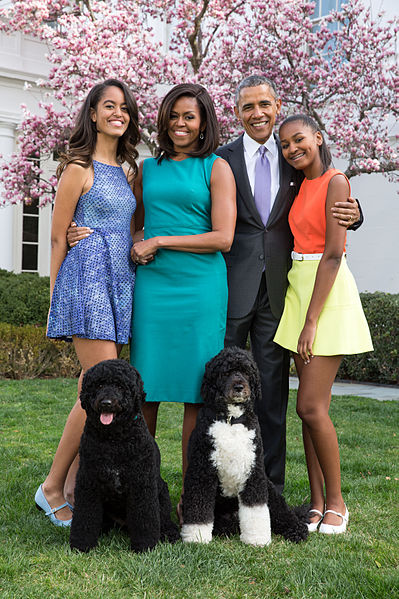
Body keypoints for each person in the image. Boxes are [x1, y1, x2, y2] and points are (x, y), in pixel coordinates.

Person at [216, 75, 362, 494]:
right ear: (238, 113)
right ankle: (221, 485)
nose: (257, 113)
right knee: (219, 388)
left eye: (264, 104)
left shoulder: (293, 155)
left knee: (272, 395)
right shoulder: (221, 159)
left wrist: (355, 212)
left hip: (283, 293)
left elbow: (327, 195)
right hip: (231, 287)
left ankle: (269, 489)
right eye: (247, 107)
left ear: (277, 106)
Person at [35, 79, 140, 526]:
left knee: (92, 385)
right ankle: (53, 487)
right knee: (96, 385)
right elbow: (58, 235)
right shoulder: (77, 167)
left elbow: (128, 226)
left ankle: (75, 485)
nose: (118, 113)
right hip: (87, 278)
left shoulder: (129, 170)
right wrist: (57, 295)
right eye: (108, 106)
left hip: (120, 279)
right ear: (93, 114)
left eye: (124, 107)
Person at [130, 83, 236, 522]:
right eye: (173, 115)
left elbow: (223, 238)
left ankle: (192, 505)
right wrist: (138, 241)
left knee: (198, 396)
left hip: (200, 289)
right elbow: (132, 225)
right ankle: (140, 502)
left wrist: (161, 239)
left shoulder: (217, 168)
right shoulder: (145, 169)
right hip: (154, 289)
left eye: (189, 116)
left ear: (204, 122)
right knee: (143, 393)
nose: (180, 124)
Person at [274, 114, 373, 533]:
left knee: (309, 406)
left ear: (318, 137)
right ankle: (315, 503)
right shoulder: (298, 184)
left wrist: (311, 321)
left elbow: (333, 254)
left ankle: (337, 503)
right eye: (284, 145)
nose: (292, 149)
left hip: (325, 293)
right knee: (310, 411)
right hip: (298, 287)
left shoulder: (336, 180)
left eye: (299, 140)